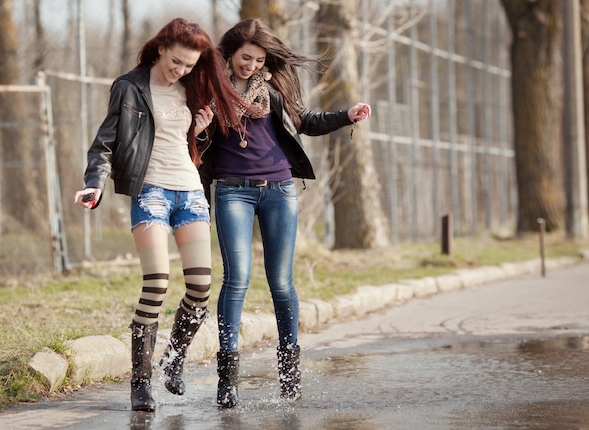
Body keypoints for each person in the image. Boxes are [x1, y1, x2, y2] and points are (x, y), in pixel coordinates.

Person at [73, 18, 245, 412]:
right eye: (177, 62)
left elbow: (187, 144)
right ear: (162, 47)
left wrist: (200, 131)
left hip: (190, 193)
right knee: (157, 283)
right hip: (151, 193)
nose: (181, 70)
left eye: (189, 65)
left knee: (201, 287)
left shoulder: (191, 89)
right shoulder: (130, 87)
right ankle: (141, 383)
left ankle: (172, 359)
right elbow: (105, 142)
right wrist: (94, 183)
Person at [199, 18, 371, 408]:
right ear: (230, 52)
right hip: (231, 192)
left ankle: (289, 374)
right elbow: (195, 133)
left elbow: (304, 121)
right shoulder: (209, 87)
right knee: (237, 280)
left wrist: (347, 115)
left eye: (259, 59)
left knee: (281, 282)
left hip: (279, 190)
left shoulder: (274, 85)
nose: (252, 65)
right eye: (246, 58)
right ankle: (228, 381)